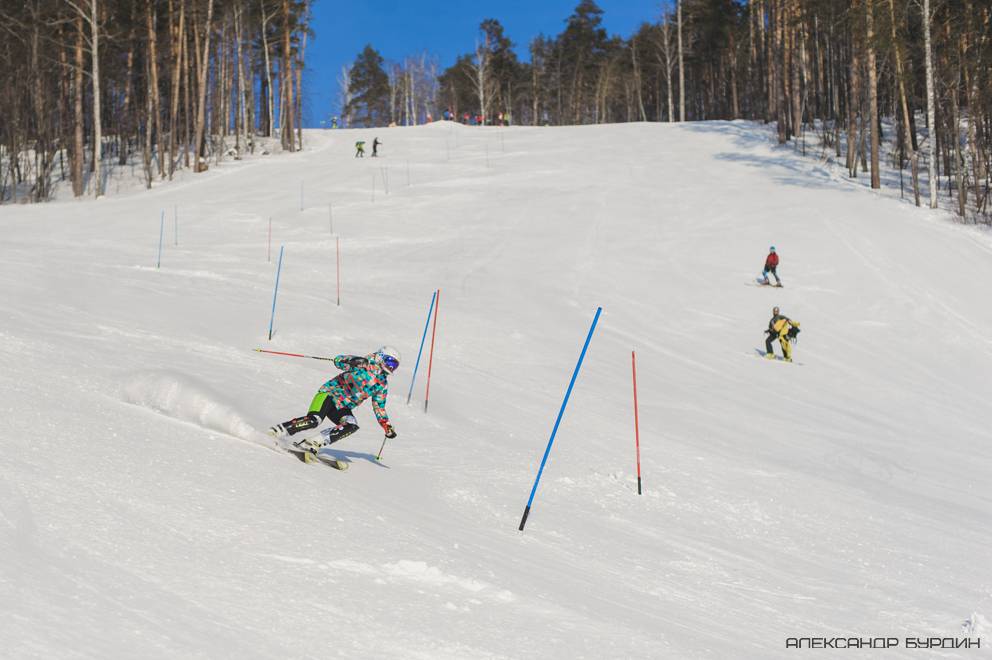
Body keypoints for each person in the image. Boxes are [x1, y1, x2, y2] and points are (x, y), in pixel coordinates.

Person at [270, 347, 400, 448]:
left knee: (351, 425)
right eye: (390, 362)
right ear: (381, 356)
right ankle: (278, 431)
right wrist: (352, 360)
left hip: (342, 407)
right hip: (330, 394)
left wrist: (386, 425)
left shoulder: (382, 385)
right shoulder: (364, 364)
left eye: (394, 365)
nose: (390, 367)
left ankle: (313, 443)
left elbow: (379, 406)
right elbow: (338, 361)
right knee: (314, 420)